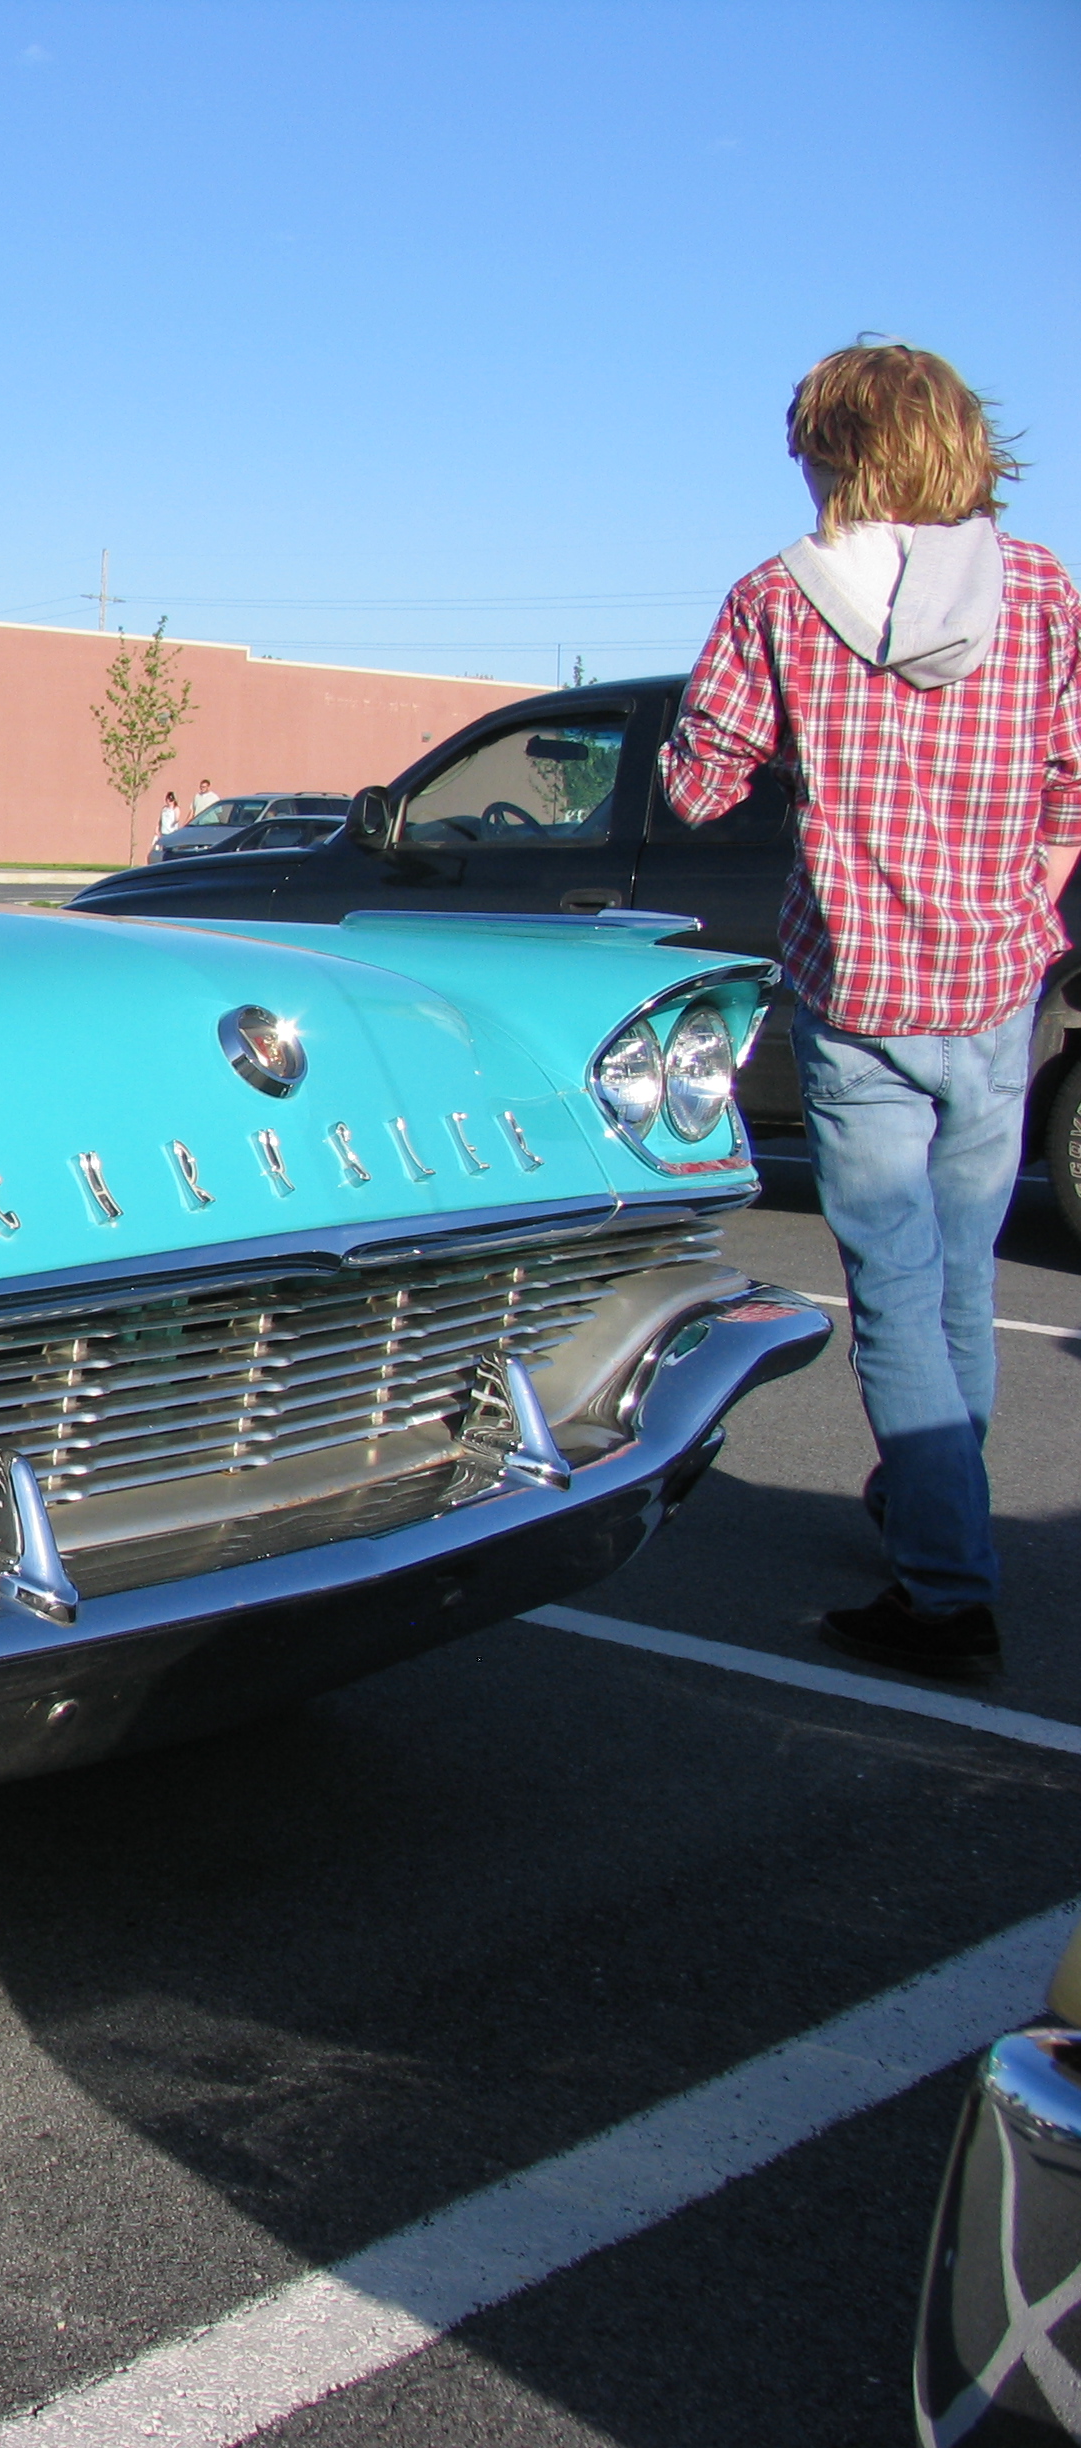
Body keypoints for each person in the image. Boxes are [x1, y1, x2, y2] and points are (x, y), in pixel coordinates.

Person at [660, 340, 1081, 1681]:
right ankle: (925, 1510)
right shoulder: (1040, 587)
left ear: (830, 452)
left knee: (896, 1295)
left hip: (862, 991)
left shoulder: (778, 599)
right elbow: (1070, 789)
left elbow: (698, 787)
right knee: (960, 1274)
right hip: (998, 983)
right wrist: (1016, 902)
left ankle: (948, 1588)